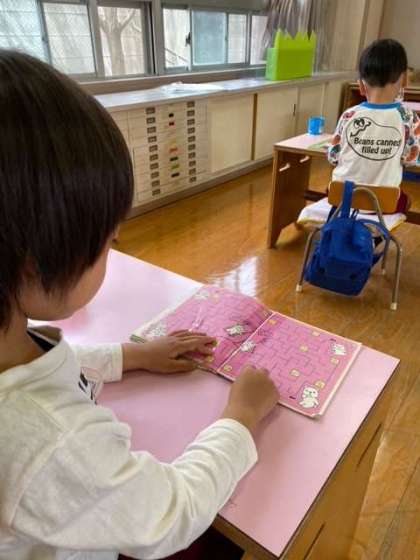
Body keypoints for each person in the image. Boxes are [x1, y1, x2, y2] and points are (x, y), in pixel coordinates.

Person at [0, 50, 279, 560]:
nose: (113, 249)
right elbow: (170, 514)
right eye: (109, 241)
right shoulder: (50, 440)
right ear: (32, 264)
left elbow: (38, 371)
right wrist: (243, 414)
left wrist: (132, 355)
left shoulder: (12, 349)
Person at [328, 38, 420, 213]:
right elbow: (410, 160)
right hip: (382, 204)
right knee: (405, 201)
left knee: (334, 187)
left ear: (361, 85)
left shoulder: (349, 115)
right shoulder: (408, 118)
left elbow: (333, 157)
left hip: (342, 199)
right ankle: (378, 228)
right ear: (405, 80)